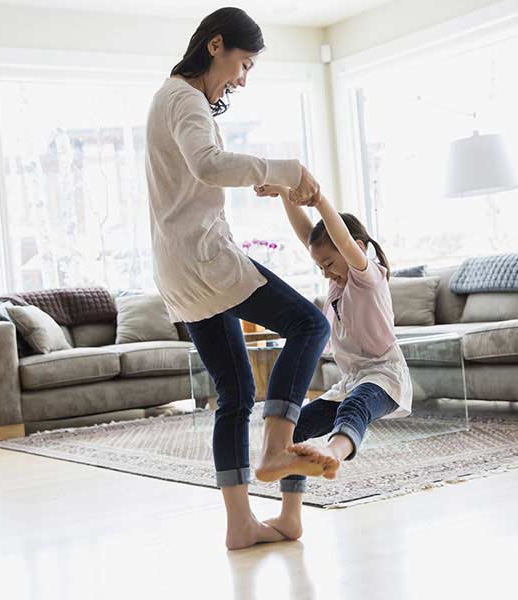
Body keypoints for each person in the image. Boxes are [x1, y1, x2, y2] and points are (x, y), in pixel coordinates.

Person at [145, 7, 332, 551]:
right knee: (310, 324)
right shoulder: (185, 98)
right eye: (243, 64)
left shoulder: (171, 97)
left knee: (235, 392)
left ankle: (240, 524)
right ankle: (277, 447)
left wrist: (262, 179)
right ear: (215, 45)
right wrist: (286, 171)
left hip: (178, 267)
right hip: (204, 261)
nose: (243, 78)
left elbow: (203, 168)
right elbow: (208, 164)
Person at [253, 183, 413, 541]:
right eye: (320, 266)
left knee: (354, 408)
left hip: (385, 376)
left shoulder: (366, 276)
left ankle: (334, 451)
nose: (325, 273)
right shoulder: (337, 284)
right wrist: (283, 194)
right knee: (293, 431)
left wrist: (321, 201)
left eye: (329, 264)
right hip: (351, 380)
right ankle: (290, 517)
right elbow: (309, 235)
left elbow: (337, 238)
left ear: (354, 249)